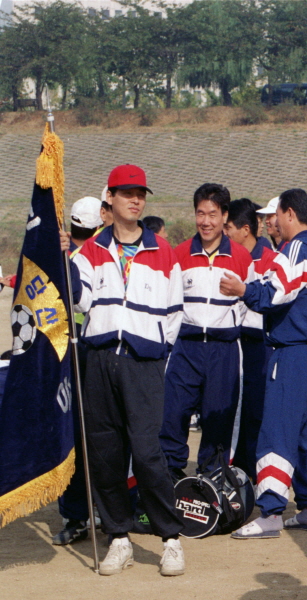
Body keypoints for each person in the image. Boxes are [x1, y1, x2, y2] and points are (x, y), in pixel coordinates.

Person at [69, 164, 187, 576]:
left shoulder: (163, 250)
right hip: (98, 359)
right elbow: (78, 300)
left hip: (144, 362)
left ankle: (170, 538)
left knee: (148, 452)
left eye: (141, 193)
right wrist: (59, 258)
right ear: (110, 201)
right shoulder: (90, 252)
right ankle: (119, 535)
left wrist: (156, 353)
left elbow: (174, 313)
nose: (136, 200)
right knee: (105, 452)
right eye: (127, 193)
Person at [220, 189, 307, 538]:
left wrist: (243, 290)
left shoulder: (297, 248)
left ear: (290, 213)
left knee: (276, 430)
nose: (271, 223)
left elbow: (275, 292)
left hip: (293, 352)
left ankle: (271, 511)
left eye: (274, 216)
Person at [159, 184, 253, 481]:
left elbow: (248, 307)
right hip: (185, 348)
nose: (206, 221)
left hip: (223, 350)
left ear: (225, 216)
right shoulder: (178, 254)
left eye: (213, 214)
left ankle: (212, 486)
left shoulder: (241, 257)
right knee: (172, 418)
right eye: (201, 213)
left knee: (218, 424)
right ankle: (168, 486)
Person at [53, 196, 105, 546]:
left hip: (95, 353)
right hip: (77, 355)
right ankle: (79, 513)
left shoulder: (103, 254)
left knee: (97, 435)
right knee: (82, 434)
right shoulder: (68, 258)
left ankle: (96, 510)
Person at [224, 198, 279, 480]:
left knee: (256, 411)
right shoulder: (225, 255)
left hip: (259, 344)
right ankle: (228, 468)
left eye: (228, 227)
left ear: (245, 230)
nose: (224, 232)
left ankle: (251, 471)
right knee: (229, 406)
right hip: (231, 341)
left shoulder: (270, 260)